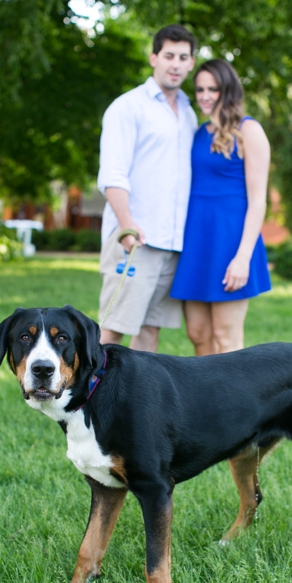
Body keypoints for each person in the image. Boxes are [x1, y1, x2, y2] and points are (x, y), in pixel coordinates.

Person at [97, 25, 198, 352]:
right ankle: (86, 401)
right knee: (112, 330)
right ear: (154, 57)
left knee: (150, 330)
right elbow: (113, 174)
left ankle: (139, 403)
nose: (176, 64)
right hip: (135, 240)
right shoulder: (128, 107)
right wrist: (126, 225)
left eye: (183, 57)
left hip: (172, 244)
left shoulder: (188, 113)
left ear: (192, 63)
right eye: (169, 55)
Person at [170, 59, 272, 355]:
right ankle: (207, 402)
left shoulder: (248, 129)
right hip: (197, 242)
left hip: (231, 242)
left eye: (212, 88)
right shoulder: (199, 132)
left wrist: (243, 257)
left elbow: (258, 200)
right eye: (200, 88)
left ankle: (235, 403)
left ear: (227, 90)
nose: (204, 95)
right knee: (198, 333)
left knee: (227, 339)